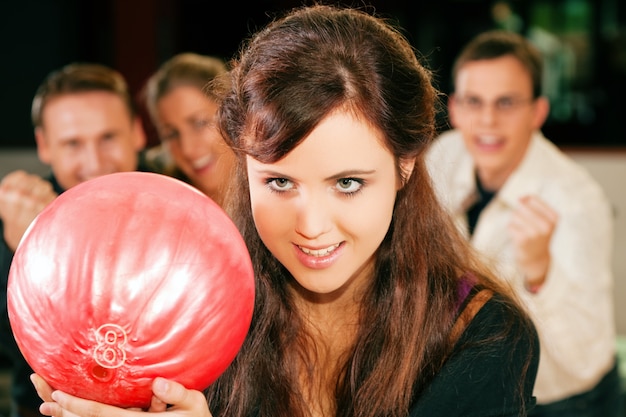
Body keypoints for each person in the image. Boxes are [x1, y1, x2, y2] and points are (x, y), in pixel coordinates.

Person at [32, 5, 539, 417]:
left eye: (347, 183)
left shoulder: (483, 338)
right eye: (279, 182)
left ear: (405, 165)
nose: (311, 227)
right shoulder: (188, 321)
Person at [426, 30, 621, 416]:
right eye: (474, 101)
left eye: (506, 103)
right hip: (489, 385)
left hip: (568, 402)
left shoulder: (576, 200)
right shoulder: (441, 157)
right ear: (455, 108)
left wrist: (539, 273)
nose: (487, 120)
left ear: (538, 112)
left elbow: (583, 359)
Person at [0, 62, 147, 417]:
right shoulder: (20, 214)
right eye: (73, 144)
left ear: (138, 132)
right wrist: (26, 255)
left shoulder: (182, 204)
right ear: (44, 146)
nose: (94, 162)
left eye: (108, 137)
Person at [142, 53, 236, 206]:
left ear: (232, 112)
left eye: (199, 123)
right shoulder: (160, 207)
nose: (187, 150)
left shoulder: (276, 193)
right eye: (171, 134)